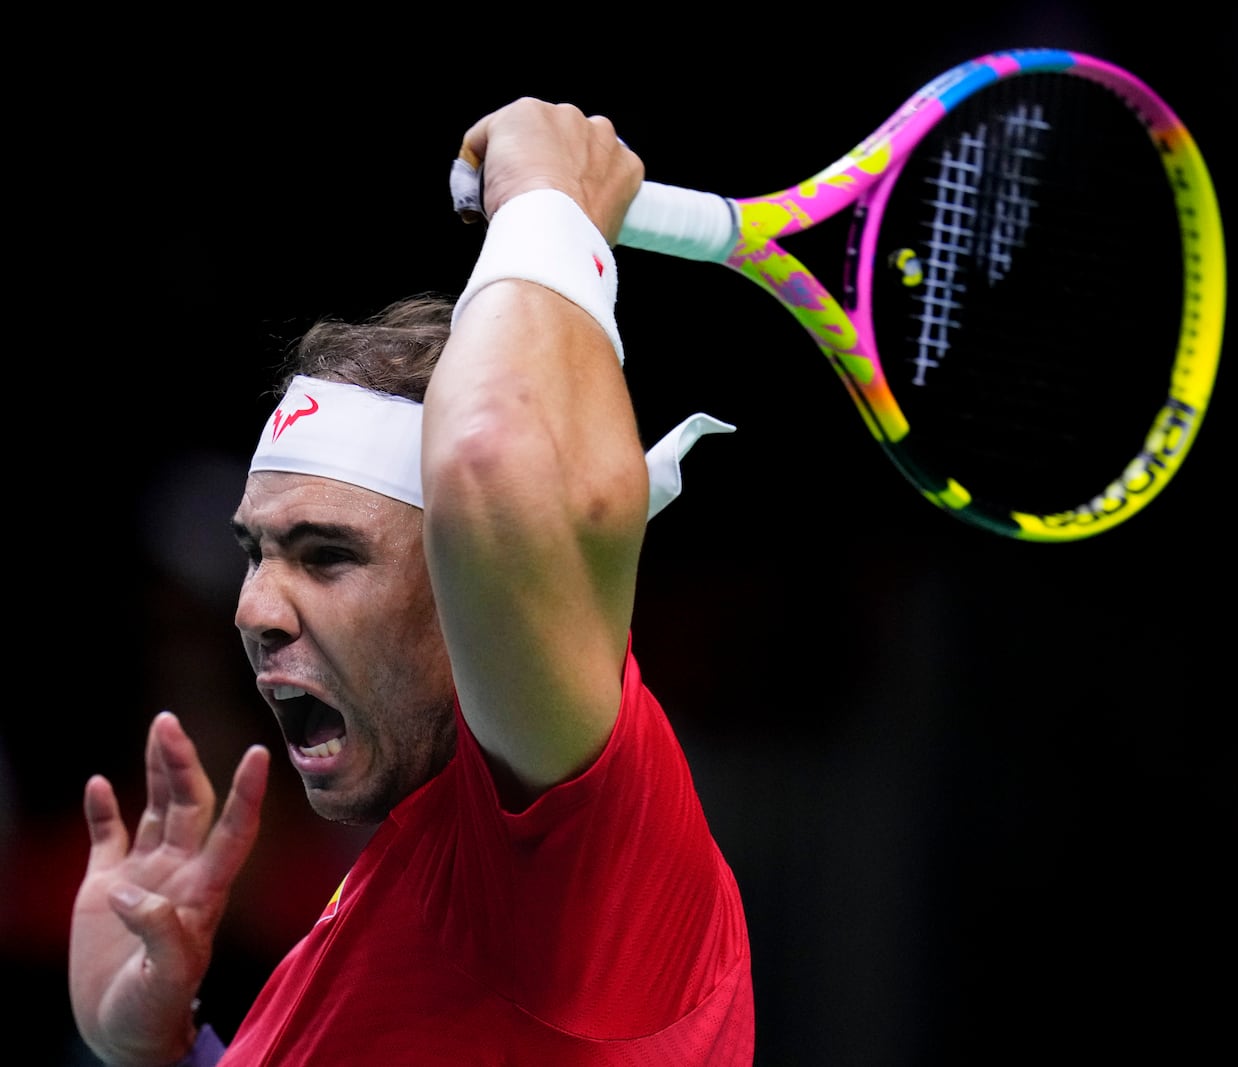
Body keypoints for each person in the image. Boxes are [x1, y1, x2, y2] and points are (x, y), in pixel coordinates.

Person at [67, 98, 754, 1065]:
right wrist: (163, 1049)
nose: (254, 610)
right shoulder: (401, 879)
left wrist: (549, 199)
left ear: (469, 578)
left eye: (328, 554)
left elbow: (489, 459)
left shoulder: (582, 854)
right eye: (254, 552)